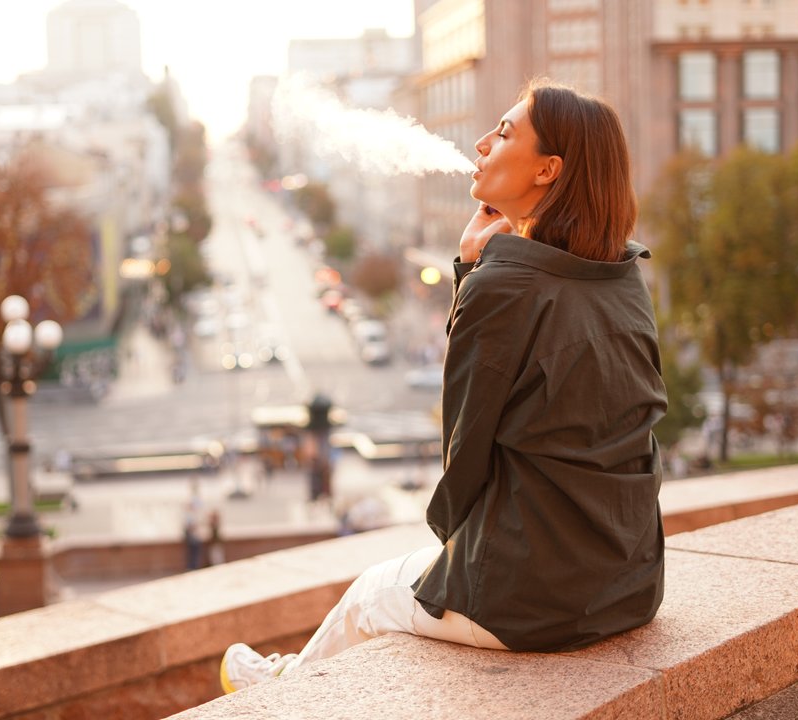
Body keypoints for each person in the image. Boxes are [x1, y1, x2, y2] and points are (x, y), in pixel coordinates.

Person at [220, 78, 667, 693]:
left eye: (506, 133)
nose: (482, 142)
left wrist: (474, 271)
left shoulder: (503, 284)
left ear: (547, 171)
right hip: (631, 583)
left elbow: (461, 459)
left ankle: (277, 694)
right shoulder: (624, 279)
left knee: (370, 595)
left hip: (535, 599)